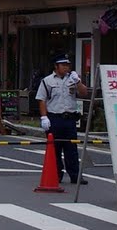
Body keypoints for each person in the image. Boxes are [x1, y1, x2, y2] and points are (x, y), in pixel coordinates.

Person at [36, 54, 89, 185]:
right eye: (63, 65)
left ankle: (75, 175)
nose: (66, 67)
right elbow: (42, 99)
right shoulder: (47, 81)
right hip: (54, 118)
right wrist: (44, 117)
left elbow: (84, 93)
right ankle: (56, 174)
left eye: (67, 65)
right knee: (55, 148)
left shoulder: (72, 79)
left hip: (69, 118)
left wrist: (78, 81)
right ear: (56, 66)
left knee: (71, 148)